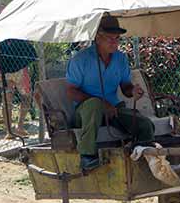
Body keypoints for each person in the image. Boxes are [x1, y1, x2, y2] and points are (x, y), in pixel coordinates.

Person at [66, 14, 155, 173]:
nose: (115, 42)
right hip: (86, 113)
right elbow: (71, 92)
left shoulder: (120, 59)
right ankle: (87, 157)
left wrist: (132, 90)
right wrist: (101, 103)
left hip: (113, 110)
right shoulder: (80, 60)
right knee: (94, 105)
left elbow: (125, 86)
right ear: (97, 37)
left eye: (117, 38)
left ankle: (139, 158)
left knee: (145, 125)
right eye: (110, 38)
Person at [0, 38, 37, 138]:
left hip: (7, 67)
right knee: (21, 97)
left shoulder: (0, 30)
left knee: (12, 98)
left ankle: (13, 130)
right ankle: (16, 128)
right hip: (16, 67)